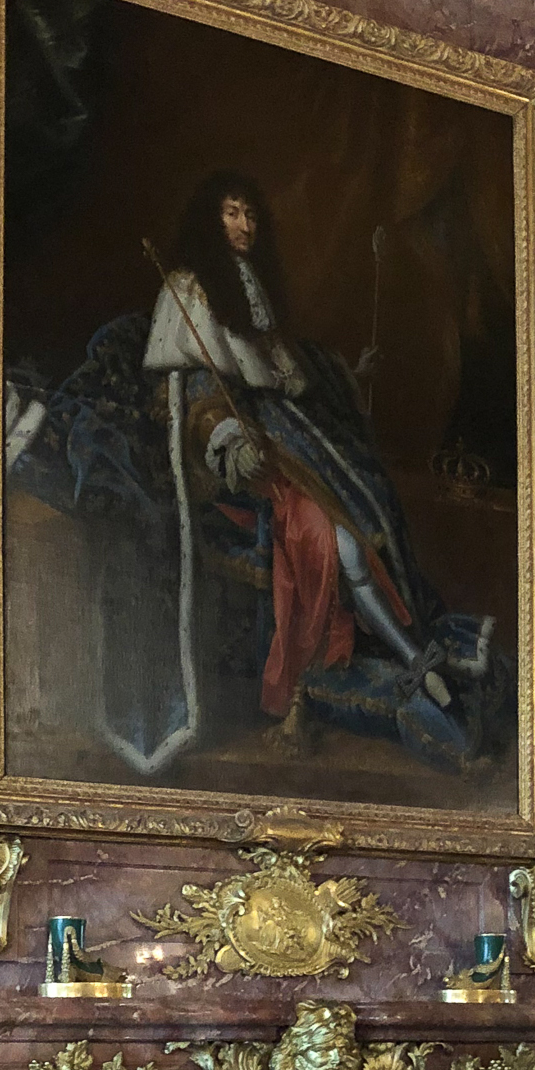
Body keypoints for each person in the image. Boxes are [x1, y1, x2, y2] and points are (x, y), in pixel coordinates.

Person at [142, 173, 454, 734]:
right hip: (251, 456)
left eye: (250, 216)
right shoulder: (187, 290)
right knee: (339, 540)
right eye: (232, 213)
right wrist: (229, 444)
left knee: (371, 498)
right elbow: (193, 394)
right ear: (211, 220)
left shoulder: (250, 284)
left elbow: (286, 366)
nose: (245, 226)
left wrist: (348, 373)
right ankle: (404, 659)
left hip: (292, 437)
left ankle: (406, 648)